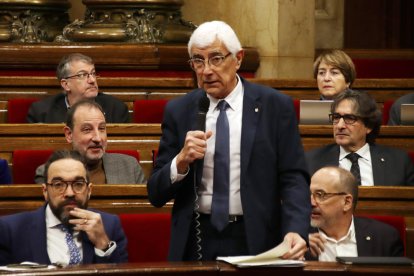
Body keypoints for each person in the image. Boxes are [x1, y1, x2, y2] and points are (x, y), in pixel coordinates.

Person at [147, 21, 310, 261]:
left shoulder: (275, 106)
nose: (206, 71)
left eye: (215, 59)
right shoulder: (179, 111)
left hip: (256, 235)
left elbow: (293, 176)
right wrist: (180, 162)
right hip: (196, 237)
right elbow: (155, 193)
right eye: (198, 61)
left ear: (238, 59)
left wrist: (296, 229)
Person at [0, 149, 128, 265]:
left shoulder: (109, 225)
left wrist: (102, 243)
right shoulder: (11, 230)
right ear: (45, 191)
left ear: (89, 190)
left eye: (78, 184)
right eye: (58, 184)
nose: (69, 193)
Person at [306, 89, 414, 186]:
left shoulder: (399, 162)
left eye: (350, 118)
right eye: (336, 117)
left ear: (368, 126)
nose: (340, 126)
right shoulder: (312, 161)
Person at [35, 99, 145, 184]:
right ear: (69, 134)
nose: (97, 138)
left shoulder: (130, 167)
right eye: (87, 129)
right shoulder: (49, 172)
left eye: (102, 129)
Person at [307, 166, 404, 261]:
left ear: (347, 202)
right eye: (309, 194)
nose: (311, 203)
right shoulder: (298, 238)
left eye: (320, 195)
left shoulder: (384, 238)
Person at [27, 53, 129, 123]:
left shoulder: (116, 109)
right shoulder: (42, 112)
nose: (92, 80)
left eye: (93, 73)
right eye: (82, 75)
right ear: (66, 84)